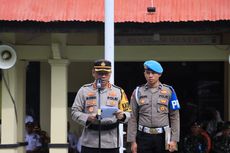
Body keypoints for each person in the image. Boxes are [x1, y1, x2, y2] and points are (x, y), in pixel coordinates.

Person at [71, 59, 131, 153]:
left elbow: (129, 113)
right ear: (93, 73)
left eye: (106, 73)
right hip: (90, 142)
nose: (103, 76)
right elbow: (74, 112)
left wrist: (122, 116)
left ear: (110, 74)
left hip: (111, 142)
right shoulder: (84, 90)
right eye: (100, 73)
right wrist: (88, 117)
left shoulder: (118, 91)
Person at [127, 60, 180, 153]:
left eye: (153, 73)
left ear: (160, 74)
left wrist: (174, 140)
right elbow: (132, 117)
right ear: (144, 74)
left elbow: (175, 117)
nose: (150, 75)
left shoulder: (169, 91)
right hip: (143, 136)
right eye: (148, 73)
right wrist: (132, 141)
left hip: (163, 137)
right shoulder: (138, 91)